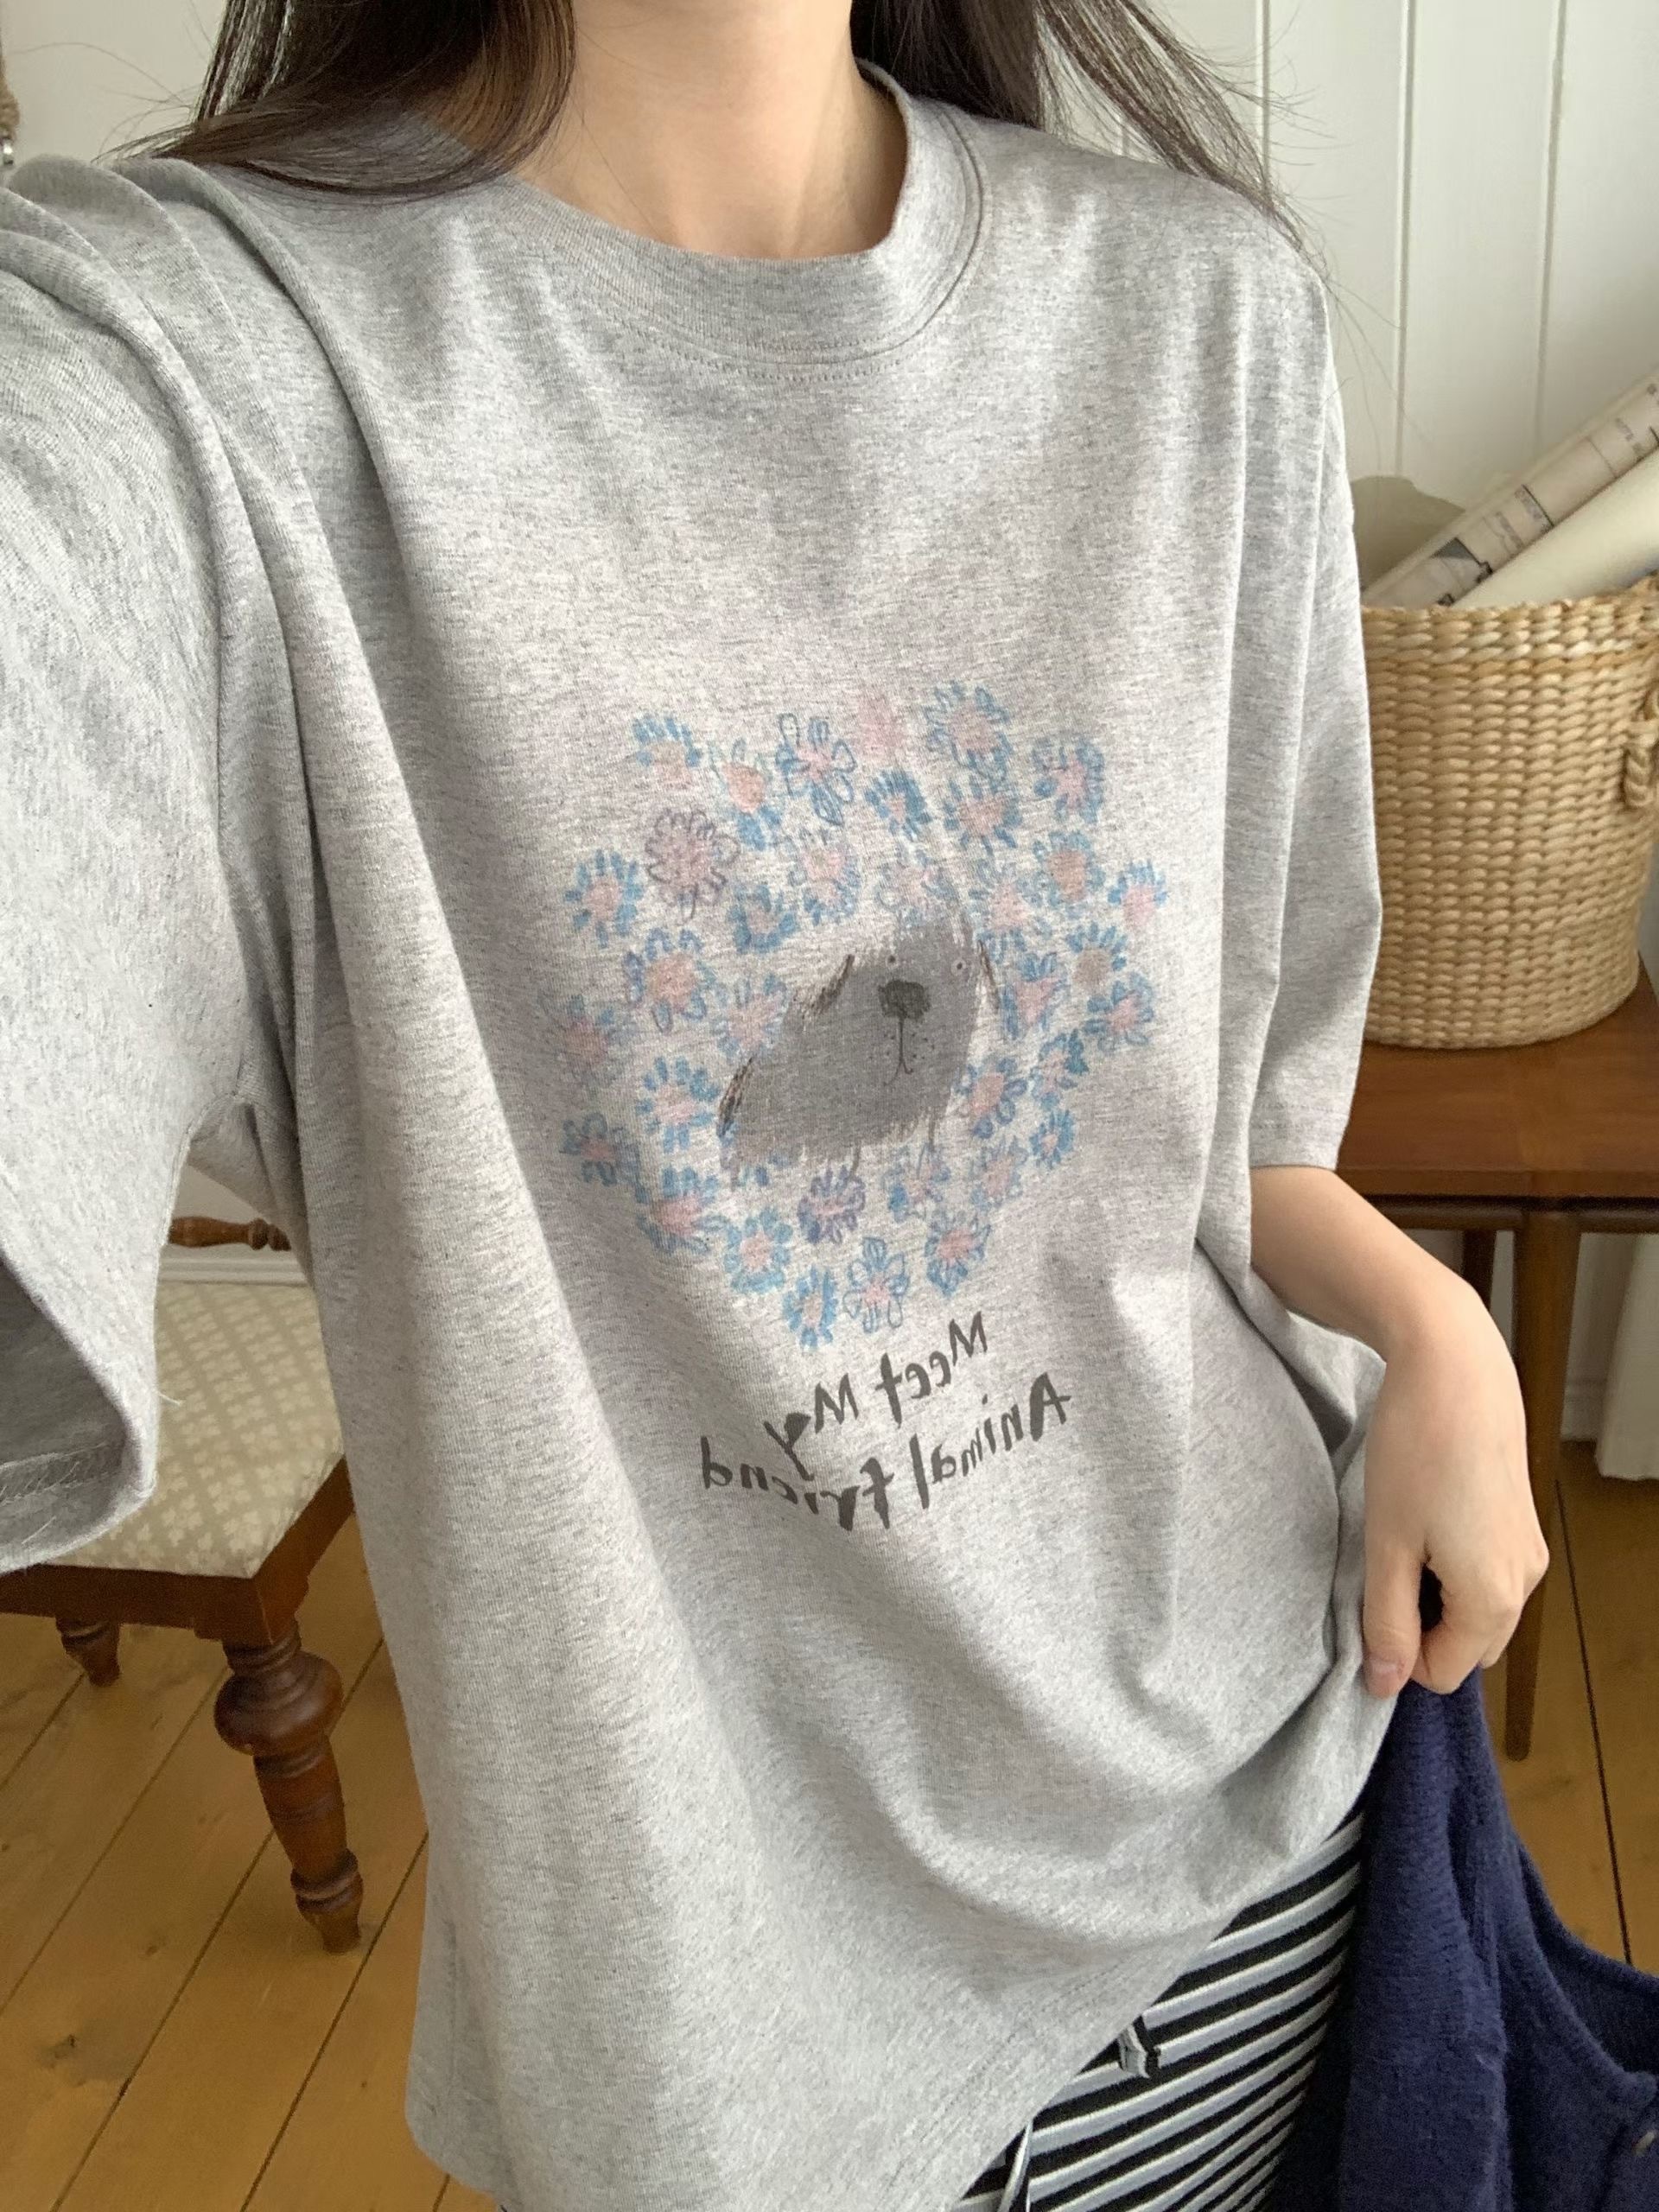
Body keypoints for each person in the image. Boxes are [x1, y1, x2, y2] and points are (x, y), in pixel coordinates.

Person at [0, 5, 1548, 2209]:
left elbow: (1235, 1148)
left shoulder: (1203, 317)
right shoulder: (176, 375)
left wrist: (1437, 1326)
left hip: (1289, 1813)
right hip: (735, 2053)